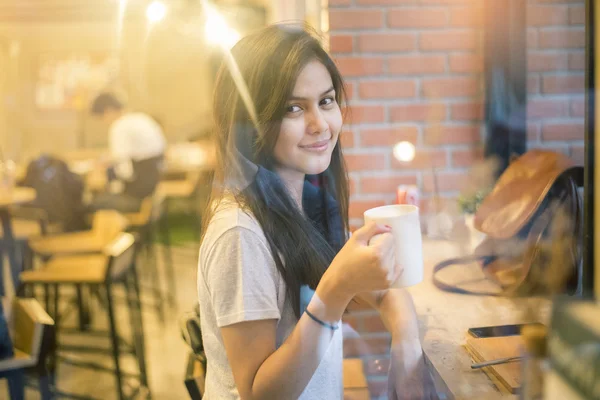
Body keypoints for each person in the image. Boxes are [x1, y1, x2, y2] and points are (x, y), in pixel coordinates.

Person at [197, 24, 435, 400]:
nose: (320, 124)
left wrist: (406, 344)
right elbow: (259, 394)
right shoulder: (240, 232)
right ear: (249, 123)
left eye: (326, 101)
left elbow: (376, 290)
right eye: (294, 108)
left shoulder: (302, 202)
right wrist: (335, 291)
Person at [89, 93, 166, 212]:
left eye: (102, 117)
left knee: (93, 203)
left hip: (135, 197)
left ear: (108, 111)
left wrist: (105, 173)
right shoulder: (142, 118)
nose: (104, 122)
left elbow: (126, 172)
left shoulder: (119, 127)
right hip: (151, 192)